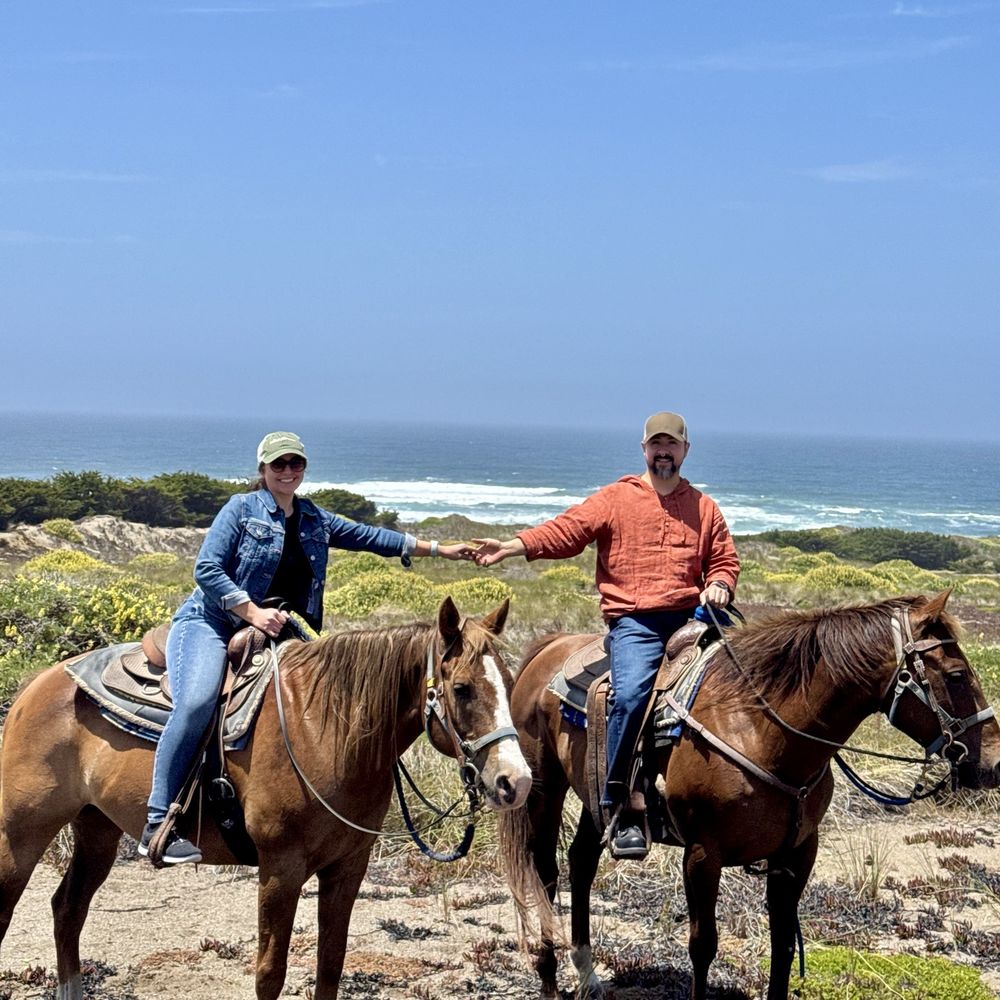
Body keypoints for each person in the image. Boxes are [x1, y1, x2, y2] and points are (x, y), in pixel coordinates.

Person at [141, 430, 475, 865]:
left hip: (279, 629)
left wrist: (440, 550)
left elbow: (372, 537)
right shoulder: (240, 509)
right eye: (278, 464)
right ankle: (158, 822)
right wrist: (252, 612)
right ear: (262, 469)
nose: (288, 472)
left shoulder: (314, 518)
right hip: (212, 622)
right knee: (196, 703)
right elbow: (206, 568)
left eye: (295, 463)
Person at [472, 412, 739, 859]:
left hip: (694, 617)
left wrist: (720, 584)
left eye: (672, 445)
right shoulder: (617, 499)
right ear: (644, 450)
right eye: (656, 444)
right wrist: (515, 546)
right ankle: (623, 804)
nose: (664, 452)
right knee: (632, 694)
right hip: (636, 623)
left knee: (750, 681)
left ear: (685, 451)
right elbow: (567, 531)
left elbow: (724, 560)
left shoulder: (705, 508)